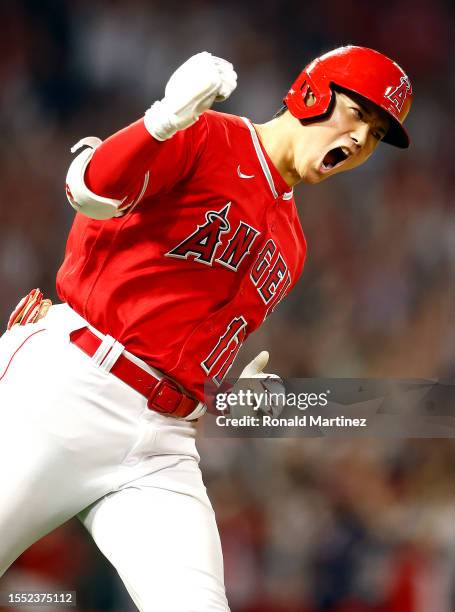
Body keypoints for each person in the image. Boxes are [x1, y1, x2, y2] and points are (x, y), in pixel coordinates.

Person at [0, 46, 412, 611]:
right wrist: (161, 122)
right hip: (70, 386)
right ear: (312, 94)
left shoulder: (292, 244)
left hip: (163, 444)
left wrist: (230, 398)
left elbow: (183, 339)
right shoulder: (207, 135)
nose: (363, 139)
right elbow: (89, 190)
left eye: (377, 133)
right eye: (358, 114)